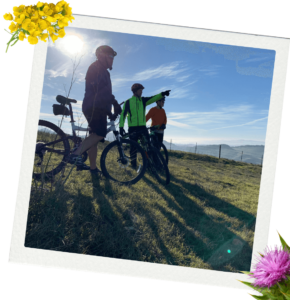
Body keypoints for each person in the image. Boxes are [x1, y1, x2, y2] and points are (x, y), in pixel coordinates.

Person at [67, 45, 122, 176]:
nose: (113, 59)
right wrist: (113, 104)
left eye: (113, 57)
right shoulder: (96, 68)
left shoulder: (103, 71)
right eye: (110, 56)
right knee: (100, 133)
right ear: (102, 56)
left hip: (97, 107)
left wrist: (111, 106)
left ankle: (93, 168)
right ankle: (75, 154)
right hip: (94, 107)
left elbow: (105, 92)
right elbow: (100, 91)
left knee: (94, 138)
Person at [119, 83, 170, 169]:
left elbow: (153, 98)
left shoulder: (143, 100)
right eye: (140, 90)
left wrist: (162, 94)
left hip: (142, 127)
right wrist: (121, 127)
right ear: (135, 91)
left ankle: (151, 165)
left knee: (149, 146)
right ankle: (133, 165)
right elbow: (123, 115)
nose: (141, 92)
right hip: (133, 128)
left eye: (142, 91)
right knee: (133, 147)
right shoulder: (128, 102)